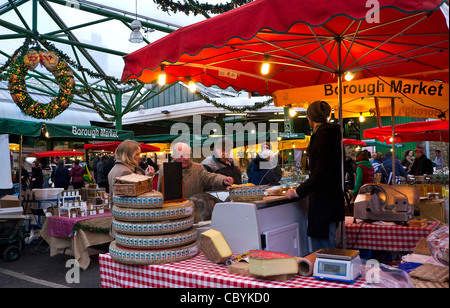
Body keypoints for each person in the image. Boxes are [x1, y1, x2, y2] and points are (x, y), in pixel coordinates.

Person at [286, 100, 345, 251]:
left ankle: (327, 274)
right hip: (331, 199)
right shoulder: (332, 135)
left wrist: (298, 191)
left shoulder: (322, 136)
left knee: (323, 249)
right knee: (327, 243)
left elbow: (321, 173)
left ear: (311, 118)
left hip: (324, 202)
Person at [157, 142, 234, 198]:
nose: (186, 158)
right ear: (174, 156)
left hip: (194, 208)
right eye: (182, 156)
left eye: (187, 155)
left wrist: (223, 179)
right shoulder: (164, 169)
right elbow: (160, 190)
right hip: (173, 209)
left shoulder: (197, 168)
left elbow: (210, 177)